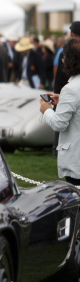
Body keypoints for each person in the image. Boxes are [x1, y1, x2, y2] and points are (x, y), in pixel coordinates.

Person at [40, 38, 80, 185]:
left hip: (77, 160)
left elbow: (59, 124)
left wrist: (47, 110)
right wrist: (62, 98)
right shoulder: (71, 90)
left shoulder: (71, 89)